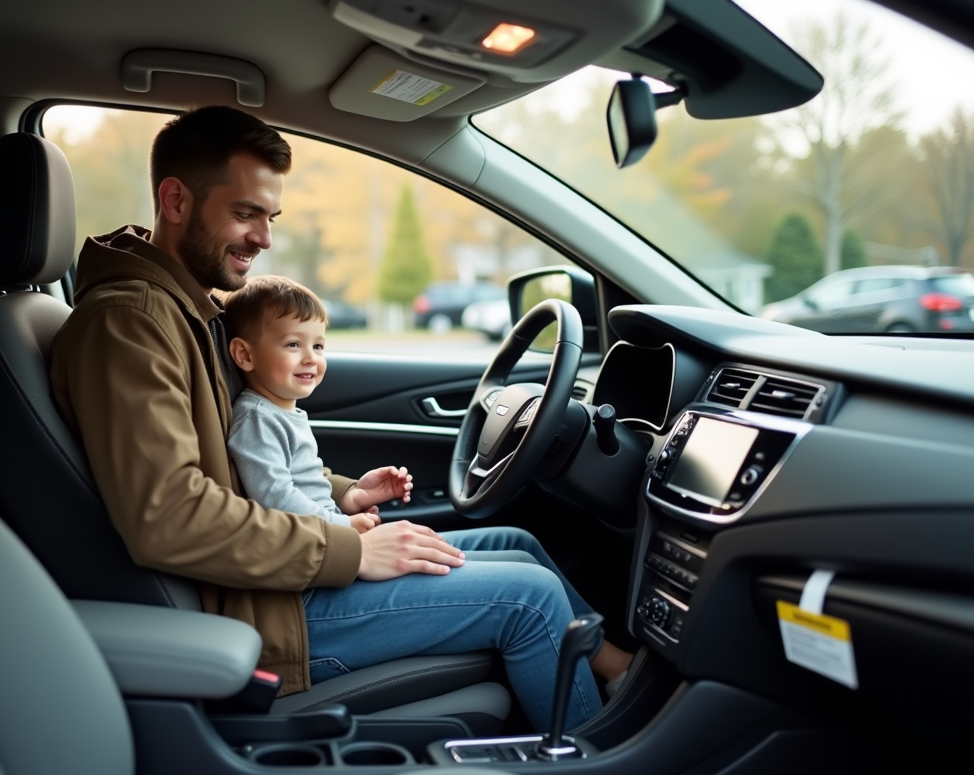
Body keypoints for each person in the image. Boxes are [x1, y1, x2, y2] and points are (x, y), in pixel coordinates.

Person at [48, 105, 632, 732]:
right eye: (245, 214)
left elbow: (247, 457)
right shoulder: (131, 324)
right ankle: (604, 760)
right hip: (267, 616)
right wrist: (349, 550)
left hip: (273, 581)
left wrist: (346, 493)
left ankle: (620, 676)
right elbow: (168, 516)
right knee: (532, 598)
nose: (265, 239)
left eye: (270, 218)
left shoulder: (190, 312)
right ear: (175, 200)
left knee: (516, 546)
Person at [222, 274, 405, 534]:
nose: (311, 358)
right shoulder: (257, 420)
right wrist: (344, 526)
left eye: (318, 346)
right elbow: (277, 499)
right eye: (293, 344)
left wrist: (351, 499)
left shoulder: (283, 412)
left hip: (325, 534)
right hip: (317, 548)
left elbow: (306, 485)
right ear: (245, 354)